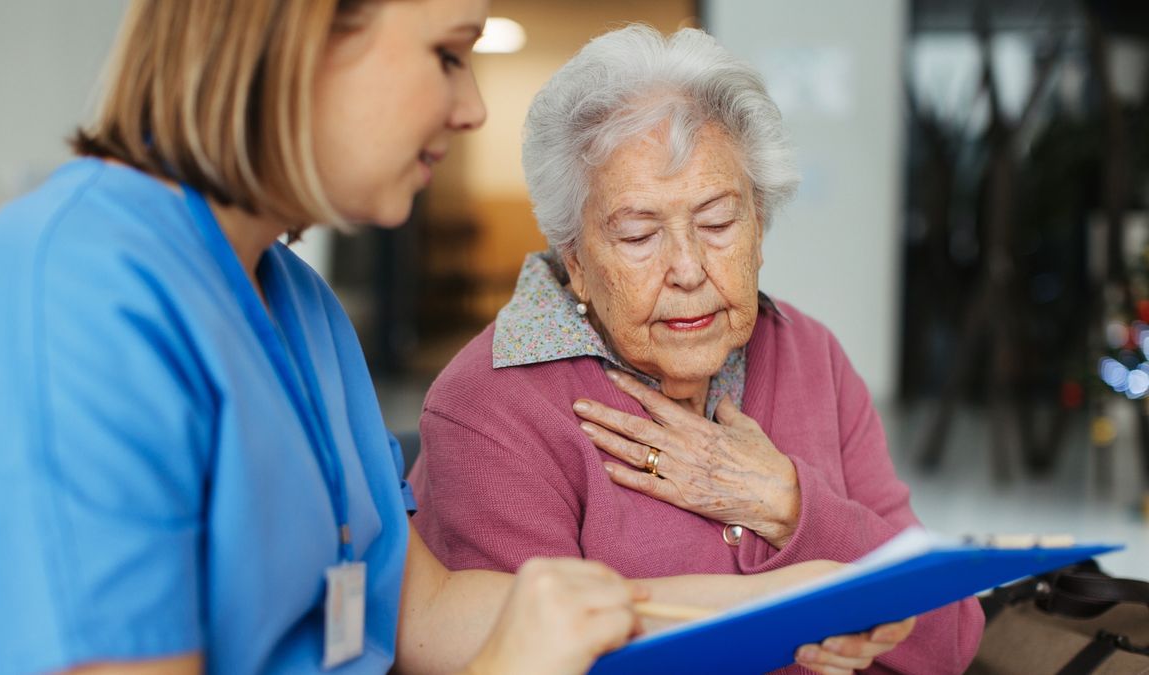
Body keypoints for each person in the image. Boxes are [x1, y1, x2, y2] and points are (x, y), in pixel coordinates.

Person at [0, 3, 913, 675]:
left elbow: (423, 614)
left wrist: (801, 594)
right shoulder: (71, 301)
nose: (473, 107)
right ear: (302, 40)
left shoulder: (299, 306)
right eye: (449, 54)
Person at [408, 24, 985, 674]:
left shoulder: (811, 356)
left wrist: (788, 505)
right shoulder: (490, 410)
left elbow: (951, 636)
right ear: (575, 259)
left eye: (717, 222)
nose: (687, 268)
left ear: (760, 226)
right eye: (638, 235)